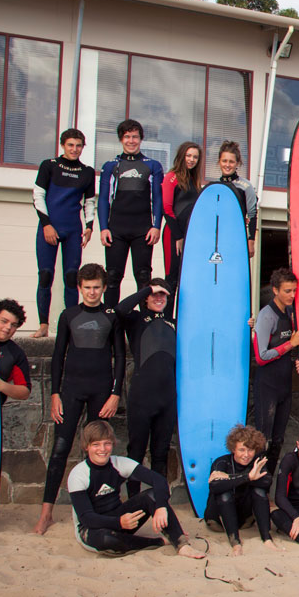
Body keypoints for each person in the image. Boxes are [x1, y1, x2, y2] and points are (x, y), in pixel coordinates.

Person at [35, 263, 125, 535]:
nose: (92, 292)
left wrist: (115, 393)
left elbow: (120, 356)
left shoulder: (111, 316)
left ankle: (97, 508)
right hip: (71, 391)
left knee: (98, 451)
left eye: (97, 287)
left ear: (104, 287)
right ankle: (46, 513)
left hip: (100, 392)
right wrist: (55, 394)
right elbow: (58, 356)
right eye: (87, 288)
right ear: (79, 288)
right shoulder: (68, 315)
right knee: (60, 448)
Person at [66, 420, 203, 558]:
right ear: (86, 447)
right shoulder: (79, 474)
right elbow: (86, 518)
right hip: (92, 528)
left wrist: (161, 506)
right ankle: (157, 542)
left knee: (152, 495)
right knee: (106, 540)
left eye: (106, 443)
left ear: (112, 444)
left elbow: (159, 481)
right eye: (96, 444)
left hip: (121, 520)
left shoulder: (118, 463)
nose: (102, 449)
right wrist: (119, 522)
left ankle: (181, 544)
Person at [114, 280, 177, 496]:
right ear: (146, 299)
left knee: (161, 452)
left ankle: (159, 500)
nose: (159, 299)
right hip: (142, 396)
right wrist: (148, 289)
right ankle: (134, 499)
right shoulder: (135, 319)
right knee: (136, 452)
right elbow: (120, 309)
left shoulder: (174, 321)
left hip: (167, 397)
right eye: (155, 295)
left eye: (163, 295)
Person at [31, 129, 95, 338]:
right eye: (70, 145)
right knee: (46, 275)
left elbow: (89, 202)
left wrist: (89, 226)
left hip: (73, 229)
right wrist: (47, 224)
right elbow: (38, 196)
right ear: (62, 145)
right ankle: (43, 325)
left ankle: (70, 325)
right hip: (49, 228)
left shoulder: (87, 172)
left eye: (78, 146)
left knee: (70, 277)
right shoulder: (49, 165)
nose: (74, 149)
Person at [252, 268, 299, 480]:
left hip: (284, 386)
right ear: (275, 290)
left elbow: (292, 345)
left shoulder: (289, 312)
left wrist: (297, 357)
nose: (292, 295)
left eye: (294, 290)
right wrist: (291, 344)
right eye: (287, 291)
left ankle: (266, 483)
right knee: (263, 440)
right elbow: (261, 357)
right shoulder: (266, 315)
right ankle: (255, 487)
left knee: (278, 440)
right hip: (267, 386)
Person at [97, 119, 164, 307]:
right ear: (121, 139)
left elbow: (157, 198)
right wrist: (103, 228)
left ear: (141, 139)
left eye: (135, 136)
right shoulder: (111, 166)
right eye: (127, 137)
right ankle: (110, 319)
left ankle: (144, 322)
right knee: (112, 276)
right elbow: (103, 198)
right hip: (116, 229)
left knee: (143, 276)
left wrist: (156, 226)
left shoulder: (152, 165)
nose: (131, 141)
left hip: (142, 229)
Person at [206, 424, 277, 555]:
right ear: (233, 449)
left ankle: (267, 539)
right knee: (224, 493)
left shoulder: (257, 462)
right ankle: (235, 543)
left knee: (259, 490)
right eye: (242, 450)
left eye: (250, 450)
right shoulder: (222, 462)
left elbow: (267, 481)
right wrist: (248, 477)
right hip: (218, 519)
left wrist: (229, 477)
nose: (246, 455)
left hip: (245, 520)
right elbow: (214, 486)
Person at [160, 141, 202, 289]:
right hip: (173, 234)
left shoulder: (194, 181)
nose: (191, 160)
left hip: (189, 236)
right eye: (188, 155)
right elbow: (166, 208)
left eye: (195, 157)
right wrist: (178, 236)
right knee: (171, 278)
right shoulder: (171, 177)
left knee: (186, 280)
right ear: (181, 156)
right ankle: (165, 313)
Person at [217, 141, 257, 258]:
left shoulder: (245, 186)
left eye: (231, 161)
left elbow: (252, 214)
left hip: (237, 239)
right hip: (218, 240)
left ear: (237, 163)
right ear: (219, 161)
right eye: (224, 161)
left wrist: (251, 242)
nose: (227, 165)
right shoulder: (214, 187)